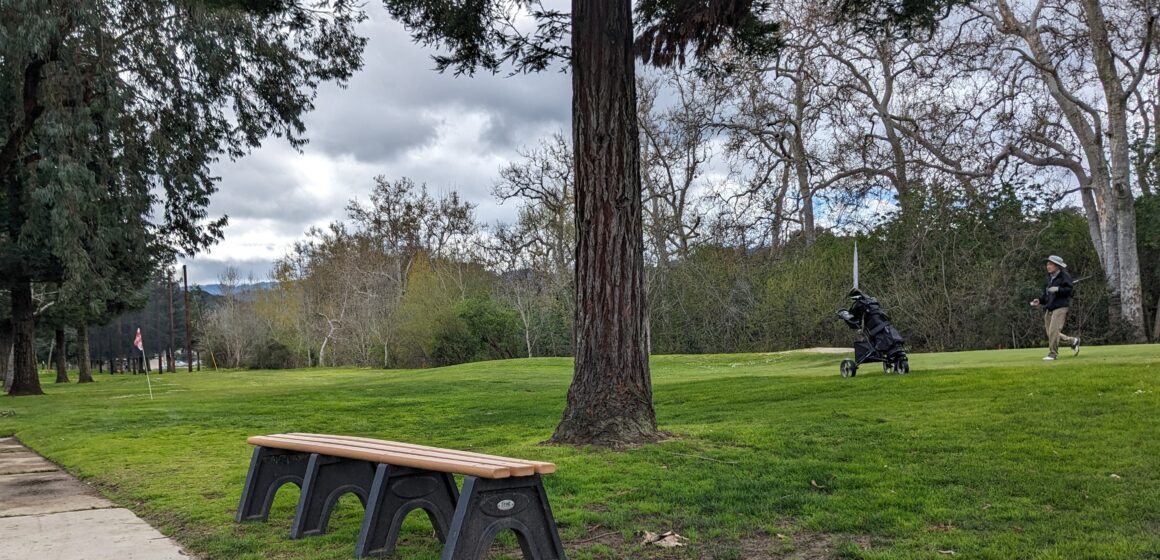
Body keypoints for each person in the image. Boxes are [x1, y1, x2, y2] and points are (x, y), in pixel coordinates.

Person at [1030, 255, 1080, 361]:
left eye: (1050, 264)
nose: (1048, 266)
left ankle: (1053, 354)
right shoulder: (1049, 278)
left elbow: (1069, 291)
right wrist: (1039, 300)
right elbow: (1047, 294)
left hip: (1060, 307)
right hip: (1050, 307)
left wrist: (1058, 289)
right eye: (1047, 264)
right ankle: (1073, 341)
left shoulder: (1064, 276)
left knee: (1053, 331)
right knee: (1051, 333)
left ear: (1057, 266)